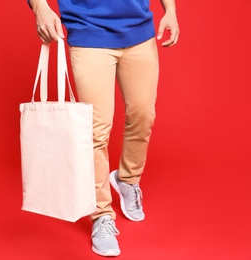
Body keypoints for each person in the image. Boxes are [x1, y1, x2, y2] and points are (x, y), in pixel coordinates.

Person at [28, 0, 179, 257]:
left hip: (140, 33)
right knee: (96, 131)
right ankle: (101, 215)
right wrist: (40, 6)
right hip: (89, 32)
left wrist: (171, 11)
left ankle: (127, 179)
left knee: (143, 116)